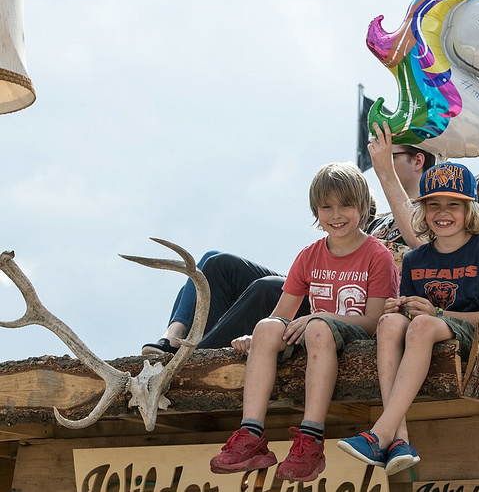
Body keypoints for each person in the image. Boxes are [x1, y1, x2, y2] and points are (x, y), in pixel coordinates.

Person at [140, 121, 434, 355]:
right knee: (217, 263)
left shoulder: (433, 213)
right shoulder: (379, 218)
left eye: (387, 153)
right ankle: (174, 339)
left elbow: (420, 242)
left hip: (351, 308)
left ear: (417, 160)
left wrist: (384, 170)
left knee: (267, 289)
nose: (377, 159)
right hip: (323, 285)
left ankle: (195, 362)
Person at [208, 161, 400, 481]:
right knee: (266, 327)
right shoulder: (309, 255)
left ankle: (311, 439)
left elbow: (375, 321)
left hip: (352, 340)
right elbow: (281, 315)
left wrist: (319, 316)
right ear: (315, 210)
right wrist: (257, 340)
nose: (336, 215)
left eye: (345, 205)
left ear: (364, 206)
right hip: (316, 333)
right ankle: (251, 435)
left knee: (317, 327)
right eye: (326, 207)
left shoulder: (378, 255)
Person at [337, 162, 479, 475]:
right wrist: (400, 308)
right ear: (423, 209)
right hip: (429, 328)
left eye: (453, 205)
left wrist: (437, 313)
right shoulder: (416, 259)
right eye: (433, 204)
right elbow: (413, 313)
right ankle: (399, 440)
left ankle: (380, 433)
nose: (442, 212)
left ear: (469, 208)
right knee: (389, 324)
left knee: (422, 325)